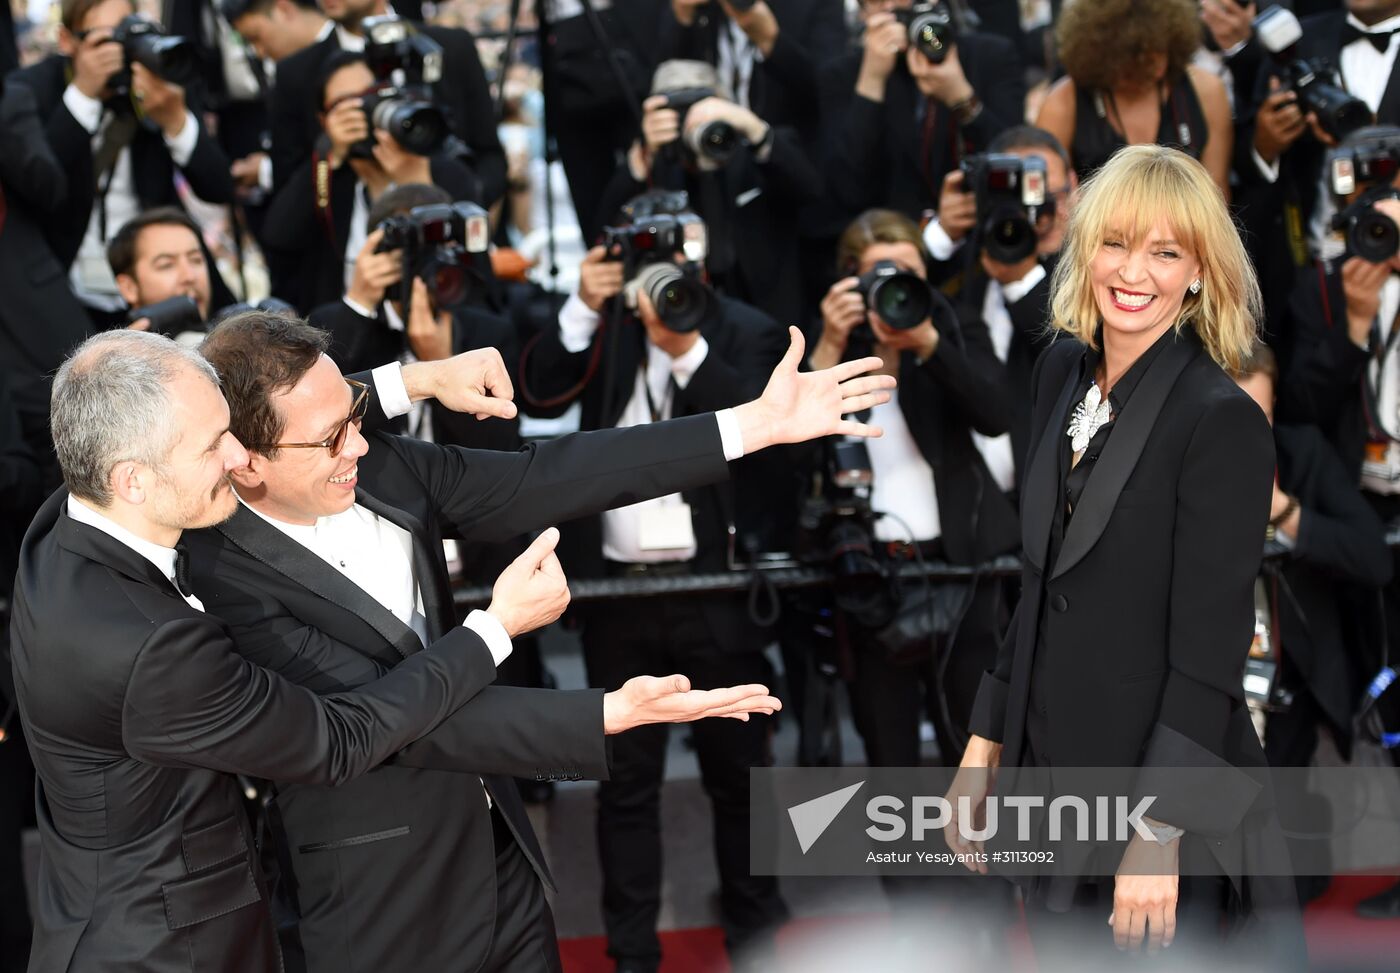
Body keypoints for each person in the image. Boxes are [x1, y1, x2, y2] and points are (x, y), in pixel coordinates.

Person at [186, 311, 893, 973]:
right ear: (242, 460)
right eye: (333, 438)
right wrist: (547, 669)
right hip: (380, 893)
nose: (361, 444)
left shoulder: (384, 464)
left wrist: (751, 426)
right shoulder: (221, 578)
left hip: (505, 862)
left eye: (357, 417)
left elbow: (547, 474)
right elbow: (388, 724)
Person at [948, 145, 1301, 963]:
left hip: (1164, 788)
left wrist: (1155, 834)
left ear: (1199, 273)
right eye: (1115, 242)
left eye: (1165, 251)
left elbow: (1211, 654)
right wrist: (984, 743)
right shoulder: (1059, 371)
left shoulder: (1220, 418)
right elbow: (1037, 581)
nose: (1132, 270)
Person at [521, 202, 792, 973]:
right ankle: (633, 952)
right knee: (625, 790)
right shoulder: (604, 323)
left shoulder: (742, 326)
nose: (658, 272)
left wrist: (683, 348)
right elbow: (539, 389)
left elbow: (758, 434)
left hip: (717, 592)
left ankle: (760, 937)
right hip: (621, 598)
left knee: (741, 781)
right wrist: (584, 302)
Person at [7, 0, 235, 330]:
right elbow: (40, 188)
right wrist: (83, 96)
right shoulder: (30, 89)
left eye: (126, 35)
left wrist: (174, 119)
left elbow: (218, 186)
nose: (120, 51)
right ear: (67, 41)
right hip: (65, 286)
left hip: (157, 284)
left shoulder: (158, 71)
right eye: (104, 40)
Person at [260, 50, 484, 312]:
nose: (363, 110)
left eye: (370, 95)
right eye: (345, 104)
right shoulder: (332, 178)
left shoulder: (442, 170)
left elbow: (476, 278)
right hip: (351, 335)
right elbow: (278, 237)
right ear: (324, 120)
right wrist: (328, 157)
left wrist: (417, 185)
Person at [266, 3, 503, 203]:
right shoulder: (296, 73)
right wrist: (329, 154)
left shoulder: (449, 47)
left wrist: (460, 208)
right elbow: (285, 189)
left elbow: (490, 158)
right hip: (350, 247)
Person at [818, 0, 1026, 228]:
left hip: (979, 233)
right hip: (887, 240)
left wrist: (961, 98)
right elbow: (847, 190)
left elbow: (1015, 165)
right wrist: (871, 81)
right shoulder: (840, 75)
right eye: (875, 2)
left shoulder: (992, 56)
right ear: (862, 12)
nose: (889, 7)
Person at [1036, 0, 1233, 197]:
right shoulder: (1063, 103)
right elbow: (1050, 202)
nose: (1156, 68)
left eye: (1159, 50)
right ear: (1103, 56)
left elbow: (1217, 197)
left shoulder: (1206, 90)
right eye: (1138, 60)